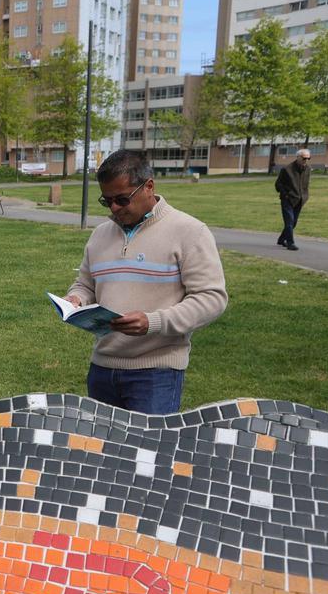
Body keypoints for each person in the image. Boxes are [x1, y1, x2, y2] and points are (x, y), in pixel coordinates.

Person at [63, 150, 228, 415]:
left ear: (149, 186)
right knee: (101, 453)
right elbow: (85, 284)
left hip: (156, 373)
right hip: (102, 367)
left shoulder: (190, 232)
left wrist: (154, 322)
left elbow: (212, 299)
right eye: (107, 201)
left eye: (122, 199)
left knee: (148, 455)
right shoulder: (100, 234)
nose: (115, 209)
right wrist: (76, 299)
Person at [274, 148, 310, 251]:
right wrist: (285, 194)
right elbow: (278, 184)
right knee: (289, 221)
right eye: (304, 158)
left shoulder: (308, 169)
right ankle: (290, 243)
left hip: (300, 199)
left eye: (308, 158)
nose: (306, 160)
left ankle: (281, 239)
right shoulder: (286, 169)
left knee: (293, 222)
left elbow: (306, 184)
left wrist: (305, 195)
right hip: (288, 199)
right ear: (298, 157)